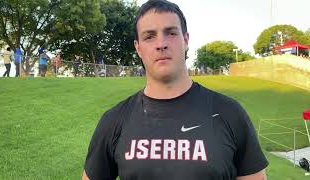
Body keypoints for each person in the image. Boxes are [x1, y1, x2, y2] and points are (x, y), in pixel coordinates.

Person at [82, 0, 268, 180]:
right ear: (138, 48)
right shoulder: (114, 120)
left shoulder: (229, 113)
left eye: (170, 33)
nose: (161, 44)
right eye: (149, 36)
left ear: (186, 40)